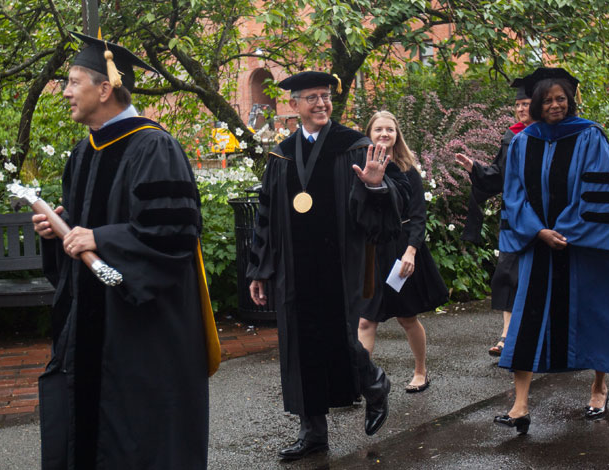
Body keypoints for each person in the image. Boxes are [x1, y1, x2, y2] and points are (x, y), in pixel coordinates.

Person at [34, 32, 212, 468]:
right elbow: (80, 239)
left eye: (74, 81)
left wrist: (102, 238)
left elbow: (174, 235)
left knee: (138, 440)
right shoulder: (83, 152)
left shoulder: (154, 146)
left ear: (105, 88)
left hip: (142, 334)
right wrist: (58, 234)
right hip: (96, 325)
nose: (65, 91)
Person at [246, 71, 405, 460]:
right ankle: (313, 431)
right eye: (312, 97)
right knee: (299, 344)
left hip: (341, 261)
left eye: (326, 96)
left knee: (340, 335)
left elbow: (395, 201)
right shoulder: (281, 153)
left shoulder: (354, 146)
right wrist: (260, 269)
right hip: (293, 266)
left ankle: (374, 384)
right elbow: (265, 213)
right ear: (294, 104)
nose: (321, 103)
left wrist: (374, 185)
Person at [494, 67, 609, 434]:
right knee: (526, 323)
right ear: (537, 104)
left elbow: (597, 190)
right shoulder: (524, 141)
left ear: (571, 101)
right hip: (539, 246)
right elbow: (513, 195)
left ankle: (599, 386)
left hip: (583, 246)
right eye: (547, 100)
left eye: (561, 98)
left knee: (595, 316)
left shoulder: (590, 136)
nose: (555, 105)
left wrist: (565, 232)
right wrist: (538, 231)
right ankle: (520, 405)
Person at [357, 111, 449, 393]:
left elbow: (419, 216)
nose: (384, 134)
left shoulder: (408, 169)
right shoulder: (359, 167)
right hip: (371, 251)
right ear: (369, 133)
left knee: (407, 318)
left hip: (401, 250)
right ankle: (361, 381)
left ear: (397, 135)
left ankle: (421, 370)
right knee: (365, 320)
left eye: (390, 129)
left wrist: (410, 252)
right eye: (379, 129)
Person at [455, 84, 531, 357]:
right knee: (507, 274)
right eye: (518, 105)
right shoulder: (511, 137)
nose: (522, 109)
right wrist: (474, 167)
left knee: (538, 276)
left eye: (527, 104)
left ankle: (539, 332)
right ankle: (507, 335)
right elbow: (499, 174)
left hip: (543, 218)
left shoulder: (547, 136)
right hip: (513, 217)